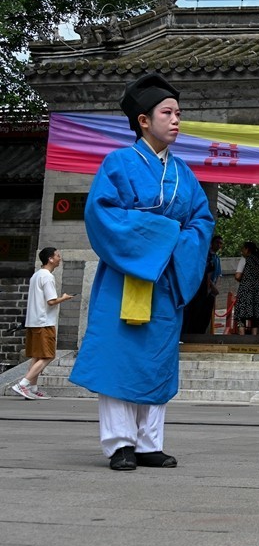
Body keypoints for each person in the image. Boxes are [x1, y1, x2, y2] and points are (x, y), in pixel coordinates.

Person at [68, 72, 214, 471]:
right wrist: (167, 233)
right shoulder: (118, 162)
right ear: (143, 121)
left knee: (156, 357)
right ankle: (119, 444)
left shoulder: (185, 172)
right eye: (167, 113)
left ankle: (150, 443)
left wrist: (173, 244)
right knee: (121, 356)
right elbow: (102, 213)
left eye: (179, 113)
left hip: (165, 278)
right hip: (126, 274)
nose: (176, 120)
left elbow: (202, 221)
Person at [11, 247, 74, 400]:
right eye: (58, 256)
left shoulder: (36, 275)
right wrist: (64, 298)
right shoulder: (47, 277)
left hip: (33, 322)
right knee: (48, 356)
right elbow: (51, 301)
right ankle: (23, 384)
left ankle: (32, 388)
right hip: (44, 322)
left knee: (37, 356)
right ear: (50, 259)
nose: (60, 258)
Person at [183, 235, 223, 335]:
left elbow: (217, 275)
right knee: (196, 314)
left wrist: (214, 288)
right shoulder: (206, 256)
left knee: (206, 316)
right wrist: (212, 287)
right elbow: (205, 274)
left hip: (210, 292)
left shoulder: (217, 258)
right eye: (217, 242)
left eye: (220, 243)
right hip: (202, 290)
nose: (219, 245)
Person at [232, 240, 259, 335]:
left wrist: (246, 279)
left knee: (241, 315)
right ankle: (254, 339)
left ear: (247, 249)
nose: (242, 250)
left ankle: (242, 338)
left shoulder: (244, 260)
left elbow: (238, 276)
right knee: (255, 316)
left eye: (243, 248)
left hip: (246, 290)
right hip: (258, 290)